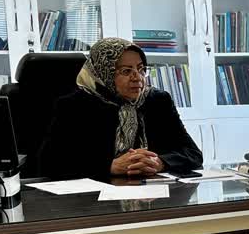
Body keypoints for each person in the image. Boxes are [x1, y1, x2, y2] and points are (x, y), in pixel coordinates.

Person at [41, 37, 202, 180]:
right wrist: (110, 166)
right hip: (93, 197)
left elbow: (192, 153)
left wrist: (159, 162)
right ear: (103, 73)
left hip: (151, 192)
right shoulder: (74, 106)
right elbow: (50, 164)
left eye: (141, 69)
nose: (137, 78)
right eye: (126, 71)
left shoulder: (157, 101)